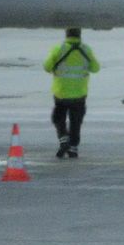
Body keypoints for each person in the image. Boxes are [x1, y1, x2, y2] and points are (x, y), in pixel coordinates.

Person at [44, 28, 101, 158]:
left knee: (58, 117)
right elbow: (96, 68)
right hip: (80, 93)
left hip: (61, 92)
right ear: (79, 35)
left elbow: (47, 67)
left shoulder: (58, 49)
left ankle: (63, 138)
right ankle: (73, 147)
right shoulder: (86, 50)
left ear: (66, 35)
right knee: (76, 121)